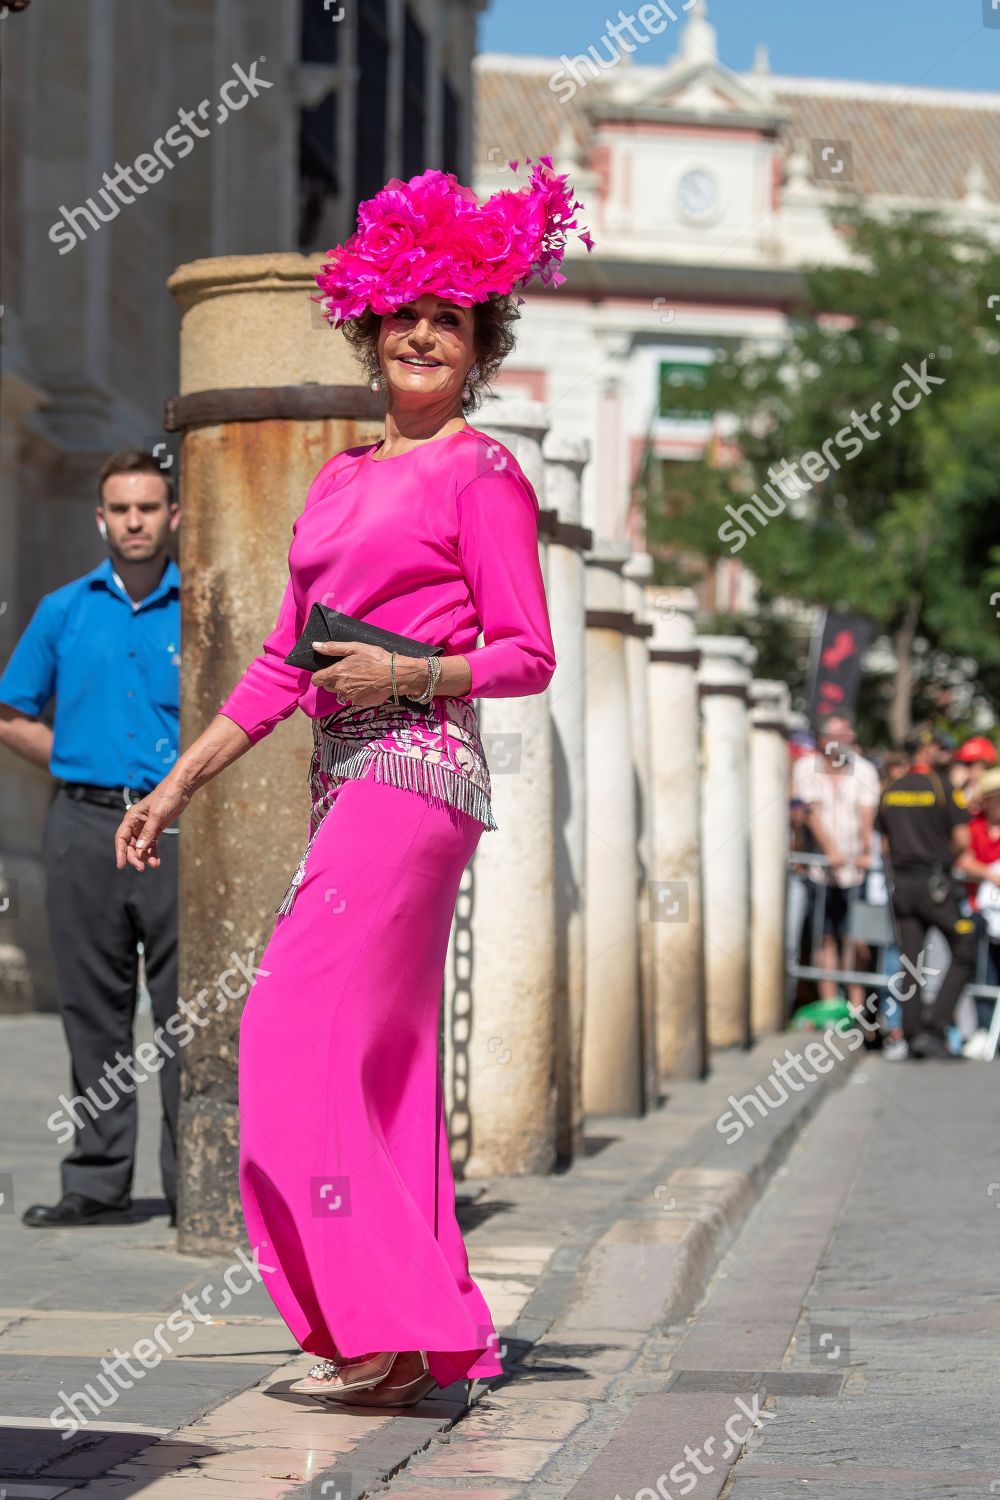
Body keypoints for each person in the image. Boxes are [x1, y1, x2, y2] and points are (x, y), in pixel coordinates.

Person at [113, 161, 588, 1408]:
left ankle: (379, 1318)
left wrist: (407, 671)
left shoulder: (479, 472)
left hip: (418, 775)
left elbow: (527, 651)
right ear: (370, 334)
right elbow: (279, 662)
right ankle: (413, 1322)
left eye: (451, 321)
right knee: (373, 1061)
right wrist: (178, 786)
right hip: (345, 774)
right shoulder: (338, 479)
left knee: (286, 1033)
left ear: (479, 347)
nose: (423, 335)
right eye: (404, 317)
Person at [0, 450, 181, 1226]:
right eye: (121, 508)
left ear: (173, 515)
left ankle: (194, 1185)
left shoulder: (203, 606)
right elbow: (10, 712)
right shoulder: (62, 610)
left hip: (178, 825)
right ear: (100, 517)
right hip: (85, 824)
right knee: (93, 1008)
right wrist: (75, 762)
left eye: (149, 507)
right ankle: (97, 1183)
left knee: (187, 1011)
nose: (135, 521)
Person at [875, 734, 976, 1059]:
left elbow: (885, 844)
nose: (943, 754)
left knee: (912, 961)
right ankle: (935, 1026)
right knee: (966, 948)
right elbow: (961, 839)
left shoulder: (892, 788)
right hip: (935, 884)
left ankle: (913, 1032)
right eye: (939, 748)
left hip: (902, 885)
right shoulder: (942, 787)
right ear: (925, 750)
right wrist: (939, 856)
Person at [792, 712, 880, 1008]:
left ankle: (856, 1007)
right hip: (821, 869)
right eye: (838, 737)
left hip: (856, 871)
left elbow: (868, 816)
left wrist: (866, 851)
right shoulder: (806, 768)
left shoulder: (865, 770)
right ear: (824, 740)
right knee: (824, 936)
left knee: (857, 939)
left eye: (848, 737)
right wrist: (831, 851)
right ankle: (830, 1005)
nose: (844, 742)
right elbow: (808, 812)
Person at [957, 765, 1000, 1015]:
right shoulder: (974, 827)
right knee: (983, 969)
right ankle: (984, 1027)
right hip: (978, 909)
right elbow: (962, 859)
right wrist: (990, 875)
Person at [951, 735, 998, 810]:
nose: (967, 769)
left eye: (970, 764)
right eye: (965, 764)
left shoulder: (994, 792)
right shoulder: (961, 789)